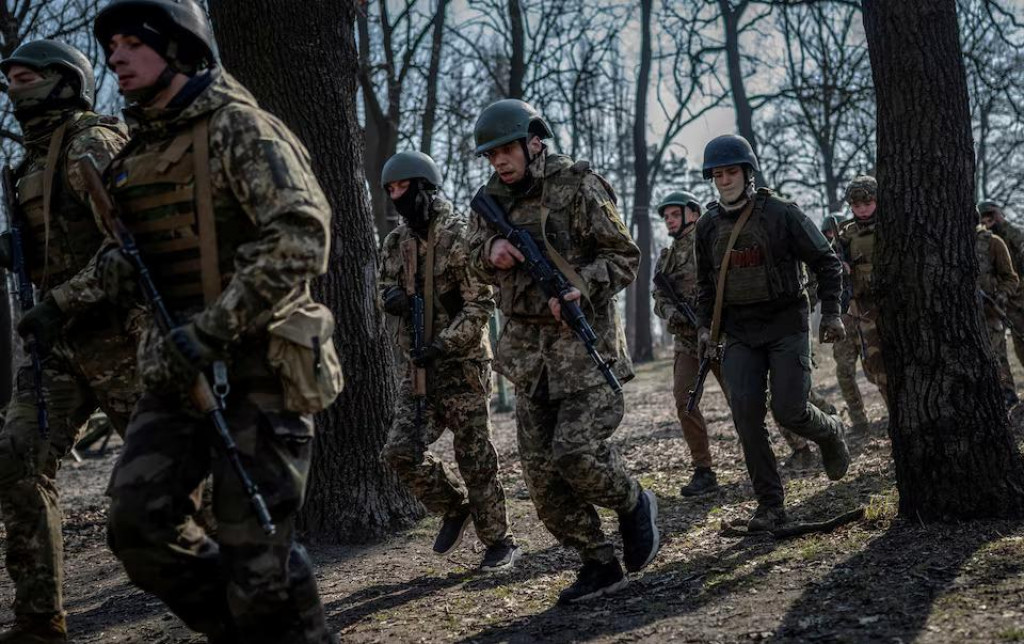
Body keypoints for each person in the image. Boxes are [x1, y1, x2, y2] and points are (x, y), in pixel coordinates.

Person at [93, 1, 342, 641]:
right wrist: (109, 276)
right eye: (110, 45)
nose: (114, 56)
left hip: (260, 365)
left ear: (177, 48)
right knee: (138, 523)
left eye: (130, 42)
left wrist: (213, 327)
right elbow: (129, 259)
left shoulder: (239, 128)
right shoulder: (134, 155)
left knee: (256, 554)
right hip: (176, 371)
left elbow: (301, 236)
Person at [466, 98, 659, 604]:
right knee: (544, 484)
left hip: (582, 349)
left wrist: (582, 286)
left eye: (506, 150)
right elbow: (468, 255)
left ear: (534, 141)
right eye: (491, 156)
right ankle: (599, 564)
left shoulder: (578, 185)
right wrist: (489, 252)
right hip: (529, 358)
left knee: (574, 454)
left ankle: (635, 501)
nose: (499, 163)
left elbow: (625, 256)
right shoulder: (488, 200)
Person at [0, 40, 138, 644]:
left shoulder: (93, 141)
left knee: (177, 477)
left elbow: (132, 249)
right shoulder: (28, 163)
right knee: (16, 459)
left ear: (64, 81)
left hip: (121, 338)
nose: (13, 90)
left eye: (26, 78)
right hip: (56, 348)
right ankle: (39, 621)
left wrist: (60, 302)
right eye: (9, 82)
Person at [694, 134, 850, 531]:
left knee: (790, 410)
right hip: (740, 333)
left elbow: (826, 262)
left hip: (785, 324)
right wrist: (702, 328)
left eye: (731, 172)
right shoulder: (708, 225)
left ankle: (830, 431)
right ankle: (770, 506)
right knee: (746, 417)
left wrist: (831, 313)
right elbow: (705, 286)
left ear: (747, 173)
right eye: (717, 174)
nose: (724, 180)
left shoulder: (782, 213)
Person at [377, 150, 519, 570]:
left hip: (462, 365)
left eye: (404, 187)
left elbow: (480, 304)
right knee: (400, 451)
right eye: (391, 190)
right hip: (417, 367)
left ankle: (499, 542)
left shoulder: (458, 235)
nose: (398, 196)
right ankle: (455, 509)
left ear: (425, 187)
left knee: (474, 456)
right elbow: (383, 282)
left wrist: (443, 343)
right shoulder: (395, 242)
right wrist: (390, 298)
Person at [652, 191, 723, 496]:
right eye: (666, 217)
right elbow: (659, 298)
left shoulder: (711, 242)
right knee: (685, 401)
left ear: (692, 214)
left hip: (722, 335)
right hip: (687, 341)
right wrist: (672, 314)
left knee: (745, 400)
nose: (669, 221)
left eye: (674, 214)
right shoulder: (666, 257)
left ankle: (771, 457)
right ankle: (703, 470)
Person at [837, 176, 889, 413]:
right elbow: (829, 267)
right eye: (856, 206)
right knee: (876, 369)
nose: (862, 210)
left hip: (895, 304)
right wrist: (841, 268)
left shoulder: (891, 227)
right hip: (865, 312)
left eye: (867, 204)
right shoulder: (845, 235)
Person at [822, 213, 870, 431]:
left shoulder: (859, 247)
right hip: (843, 321)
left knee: (873, 370)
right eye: (827, 234)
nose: (831, 237)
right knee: (844, 372)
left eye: (834, 233)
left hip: (866, 315)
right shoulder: (824, 258)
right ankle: (858, 419)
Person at [979, 200, 1024, 391]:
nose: (990, 219)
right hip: (1004, 301)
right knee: (1017, 346)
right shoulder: (985, 241)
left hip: (1019, 293)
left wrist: (1001, 222)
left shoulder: (1010, 234)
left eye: (992, 214)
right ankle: (1007, 392)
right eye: (985, 216)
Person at [975, 219, 1019, 406]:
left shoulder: (993, 242)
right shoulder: (950, 245)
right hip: (965, 317)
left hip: (990, 312)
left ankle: (1007, 394)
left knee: (996, 355)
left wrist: (1001, 296)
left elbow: (1010, 278)